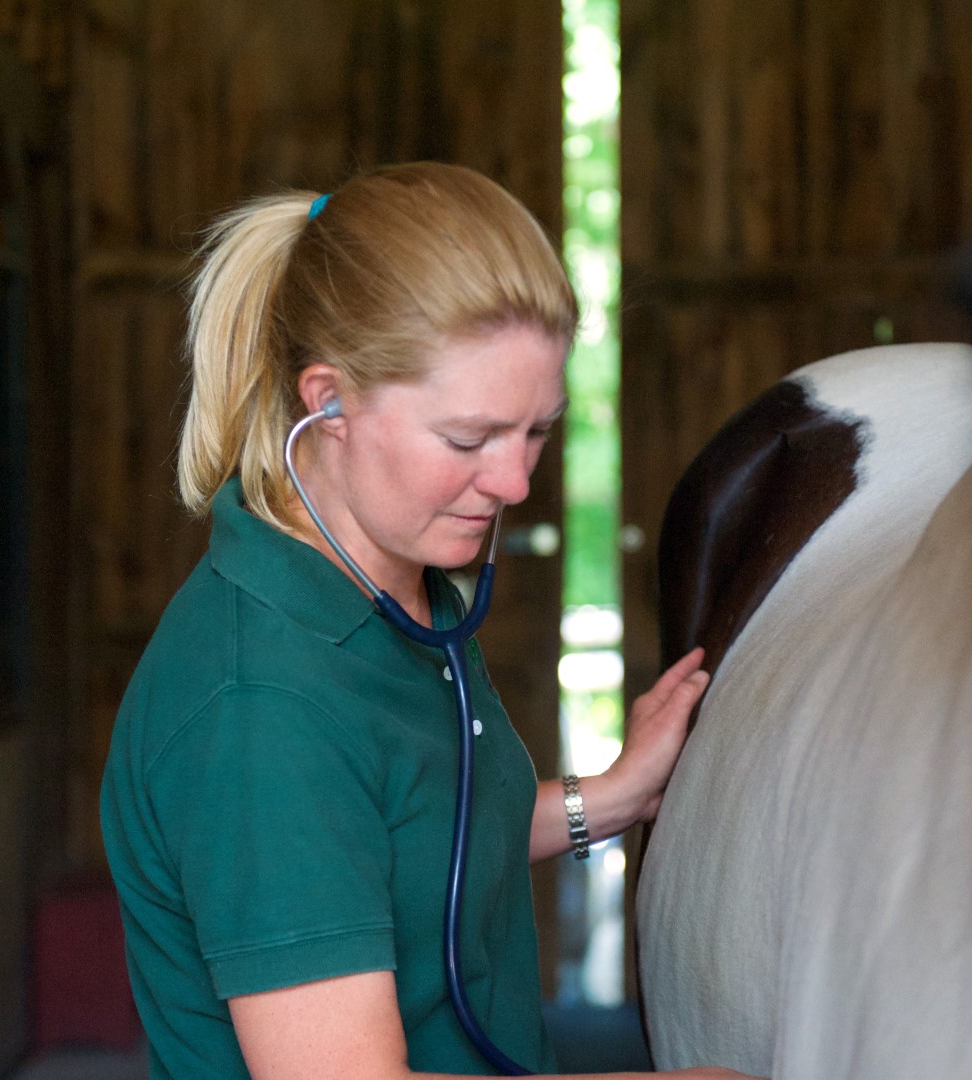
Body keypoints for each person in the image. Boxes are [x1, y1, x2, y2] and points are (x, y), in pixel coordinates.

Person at [100, 162, 758, 1080]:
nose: (515, 482)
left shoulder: (393, 600)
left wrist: (605, 798)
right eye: (468, 438)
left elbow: (405, 834)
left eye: (536, 431)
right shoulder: (259, 713)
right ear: (327, 402)